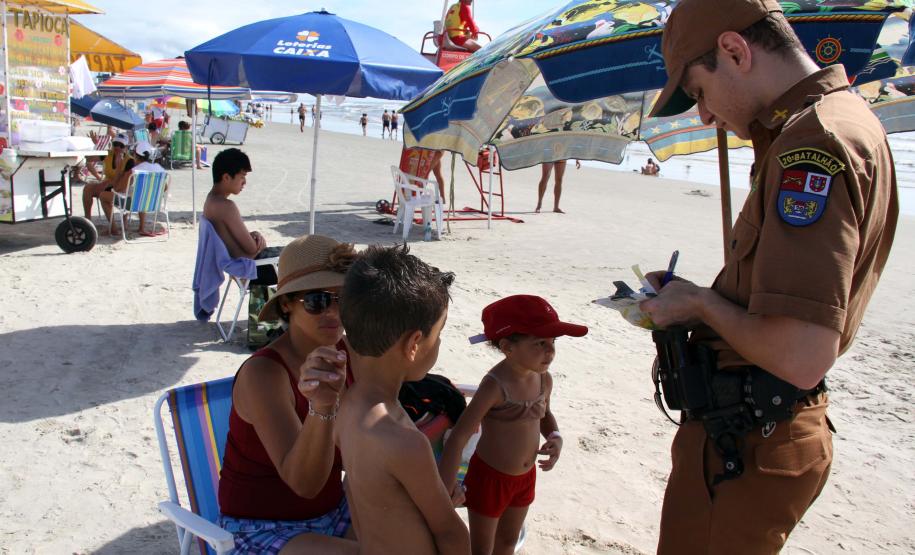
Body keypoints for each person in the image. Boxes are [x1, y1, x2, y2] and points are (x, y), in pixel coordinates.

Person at [640, 0, 898, 553]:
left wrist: (702, 308)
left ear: (734, 50)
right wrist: (700, 295)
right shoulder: (835, 121)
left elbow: (801, 354)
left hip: (747, 441)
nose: (705, 116)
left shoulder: (812, 144)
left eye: (699, 91)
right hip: (756, 433)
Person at [217, 234, 359, 555]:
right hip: (263, 528)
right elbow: (304, 484)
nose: (334, 312)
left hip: (334, 512)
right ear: (286, 303)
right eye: (318, 301)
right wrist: (322, 406)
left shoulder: (347, 353)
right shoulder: (264, 375)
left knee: (418, 534)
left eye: (344, 298)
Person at [335, 245, 470, 554]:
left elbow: (381, 492)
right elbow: (450, 533)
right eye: (439, 333)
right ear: (414, 345)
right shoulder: (404, 441)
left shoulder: (346, 407)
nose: (440, 343)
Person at [440, 295, 587, 555]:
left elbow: (544, 414)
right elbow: (459, 437)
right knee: (482, 549)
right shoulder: (495, 385)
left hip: (525, 478)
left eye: (553, 342)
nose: (550, 351)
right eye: (540, 343)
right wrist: (448, 487)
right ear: (508, 347)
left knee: (508, 542)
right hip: (490, 479)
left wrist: (555, 436)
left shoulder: (544, 379)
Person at [202, 148, 278, 284]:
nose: (244, 182)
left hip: (239, 269)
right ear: (226, 177)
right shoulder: (226, 206)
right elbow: (252, 248)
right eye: (242, 176)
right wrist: (258, 238)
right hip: (255, 270)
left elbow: (232, 238)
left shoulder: (211, 202)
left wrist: (252, 236)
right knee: (309, 259)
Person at [81, 132, 133, 223]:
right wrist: (94, 146)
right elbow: (88, 159)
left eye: (121, 145)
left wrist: (108, 183)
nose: (117, 147)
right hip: (106, 185)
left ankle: (113, 227)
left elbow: (126, 182)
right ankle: (87, 221)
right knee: (88, 188)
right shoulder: (108, 154)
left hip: (120, 189)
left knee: (104, 195)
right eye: (115, 144)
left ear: (126, 147)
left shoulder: (129, 160)